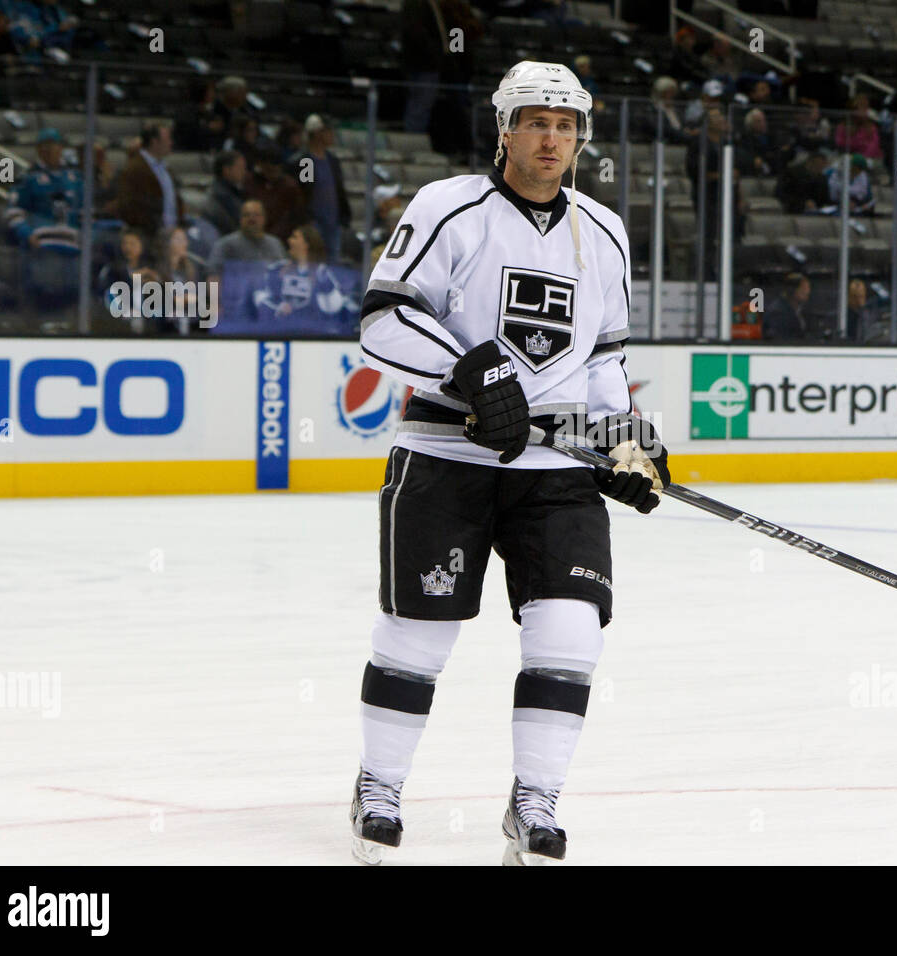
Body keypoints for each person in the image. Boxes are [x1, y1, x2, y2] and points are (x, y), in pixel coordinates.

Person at [351, 61, 670, 867]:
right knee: (417, 637)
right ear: (504, 129)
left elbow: (602, 360)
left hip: (554, 471)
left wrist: (625, 438)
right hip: (445, 456)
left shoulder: (602, 231)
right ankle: (379, 787)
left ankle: (535, 803)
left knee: (569, 633)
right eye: (535, 122)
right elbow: (383, 321)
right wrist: (473, 369)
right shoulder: (448, 207)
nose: (551, 138)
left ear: (582, 137)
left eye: (566, 126)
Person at [253, 224, 353, 332]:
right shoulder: (277, 269)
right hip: (279, 332)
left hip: (313, 336)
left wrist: (324, 284)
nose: (289, 240)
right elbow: (258, 296)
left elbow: (334, 306)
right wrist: (278, 306)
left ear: (306, 245)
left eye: (295, 237)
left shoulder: (322, 272)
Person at [113, 119, 183, 241]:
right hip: (148, 237)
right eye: (168, 139)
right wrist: (153, 227)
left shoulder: (166, 168)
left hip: (170, 235)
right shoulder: (134, 169)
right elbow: (128, 206)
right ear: (154, 142)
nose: (171, 143)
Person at [299, 113, 351, 263]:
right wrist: (308, 218)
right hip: (315, 222)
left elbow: (339, 190)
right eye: (328, 131)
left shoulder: (332, 161)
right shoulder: (307, 161)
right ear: (317, 133)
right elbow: (305, 190)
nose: (332, 134)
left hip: (333, 222)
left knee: (333, 261)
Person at [761, 273, 811, 340]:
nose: (808, 291)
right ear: (792, 290)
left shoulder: (800, 310)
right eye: (804, 288)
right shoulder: (777, 313)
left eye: (808, 288)